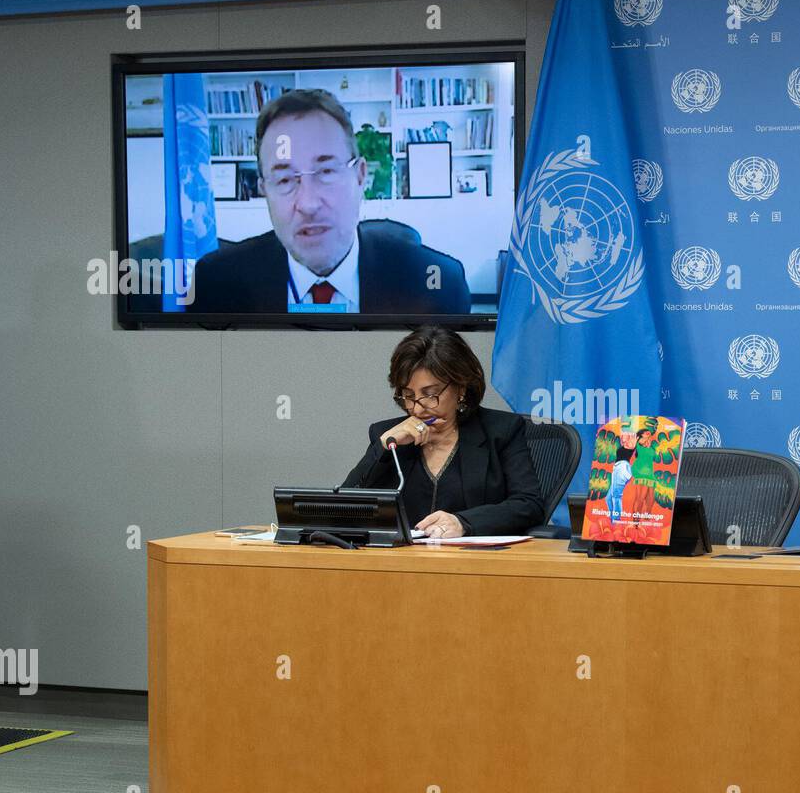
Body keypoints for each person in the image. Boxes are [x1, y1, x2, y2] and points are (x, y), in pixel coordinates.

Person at [186, 89, 471, 315]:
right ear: (264, 192)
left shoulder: (437, 284)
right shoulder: (215, 283)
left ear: (360, 177)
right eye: (285, 180)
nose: (308, 204)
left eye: (326, 172)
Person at [341, 326, 543, 537]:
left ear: (461, 388)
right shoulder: (388, 435)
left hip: (474, 561)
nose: (417, 409)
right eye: (408, 396)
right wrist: (382, 449)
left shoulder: (501, 431)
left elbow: (529, 504)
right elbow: (344, 505)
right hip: (399, 561)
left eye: (430, 395)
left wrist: (464, 522)